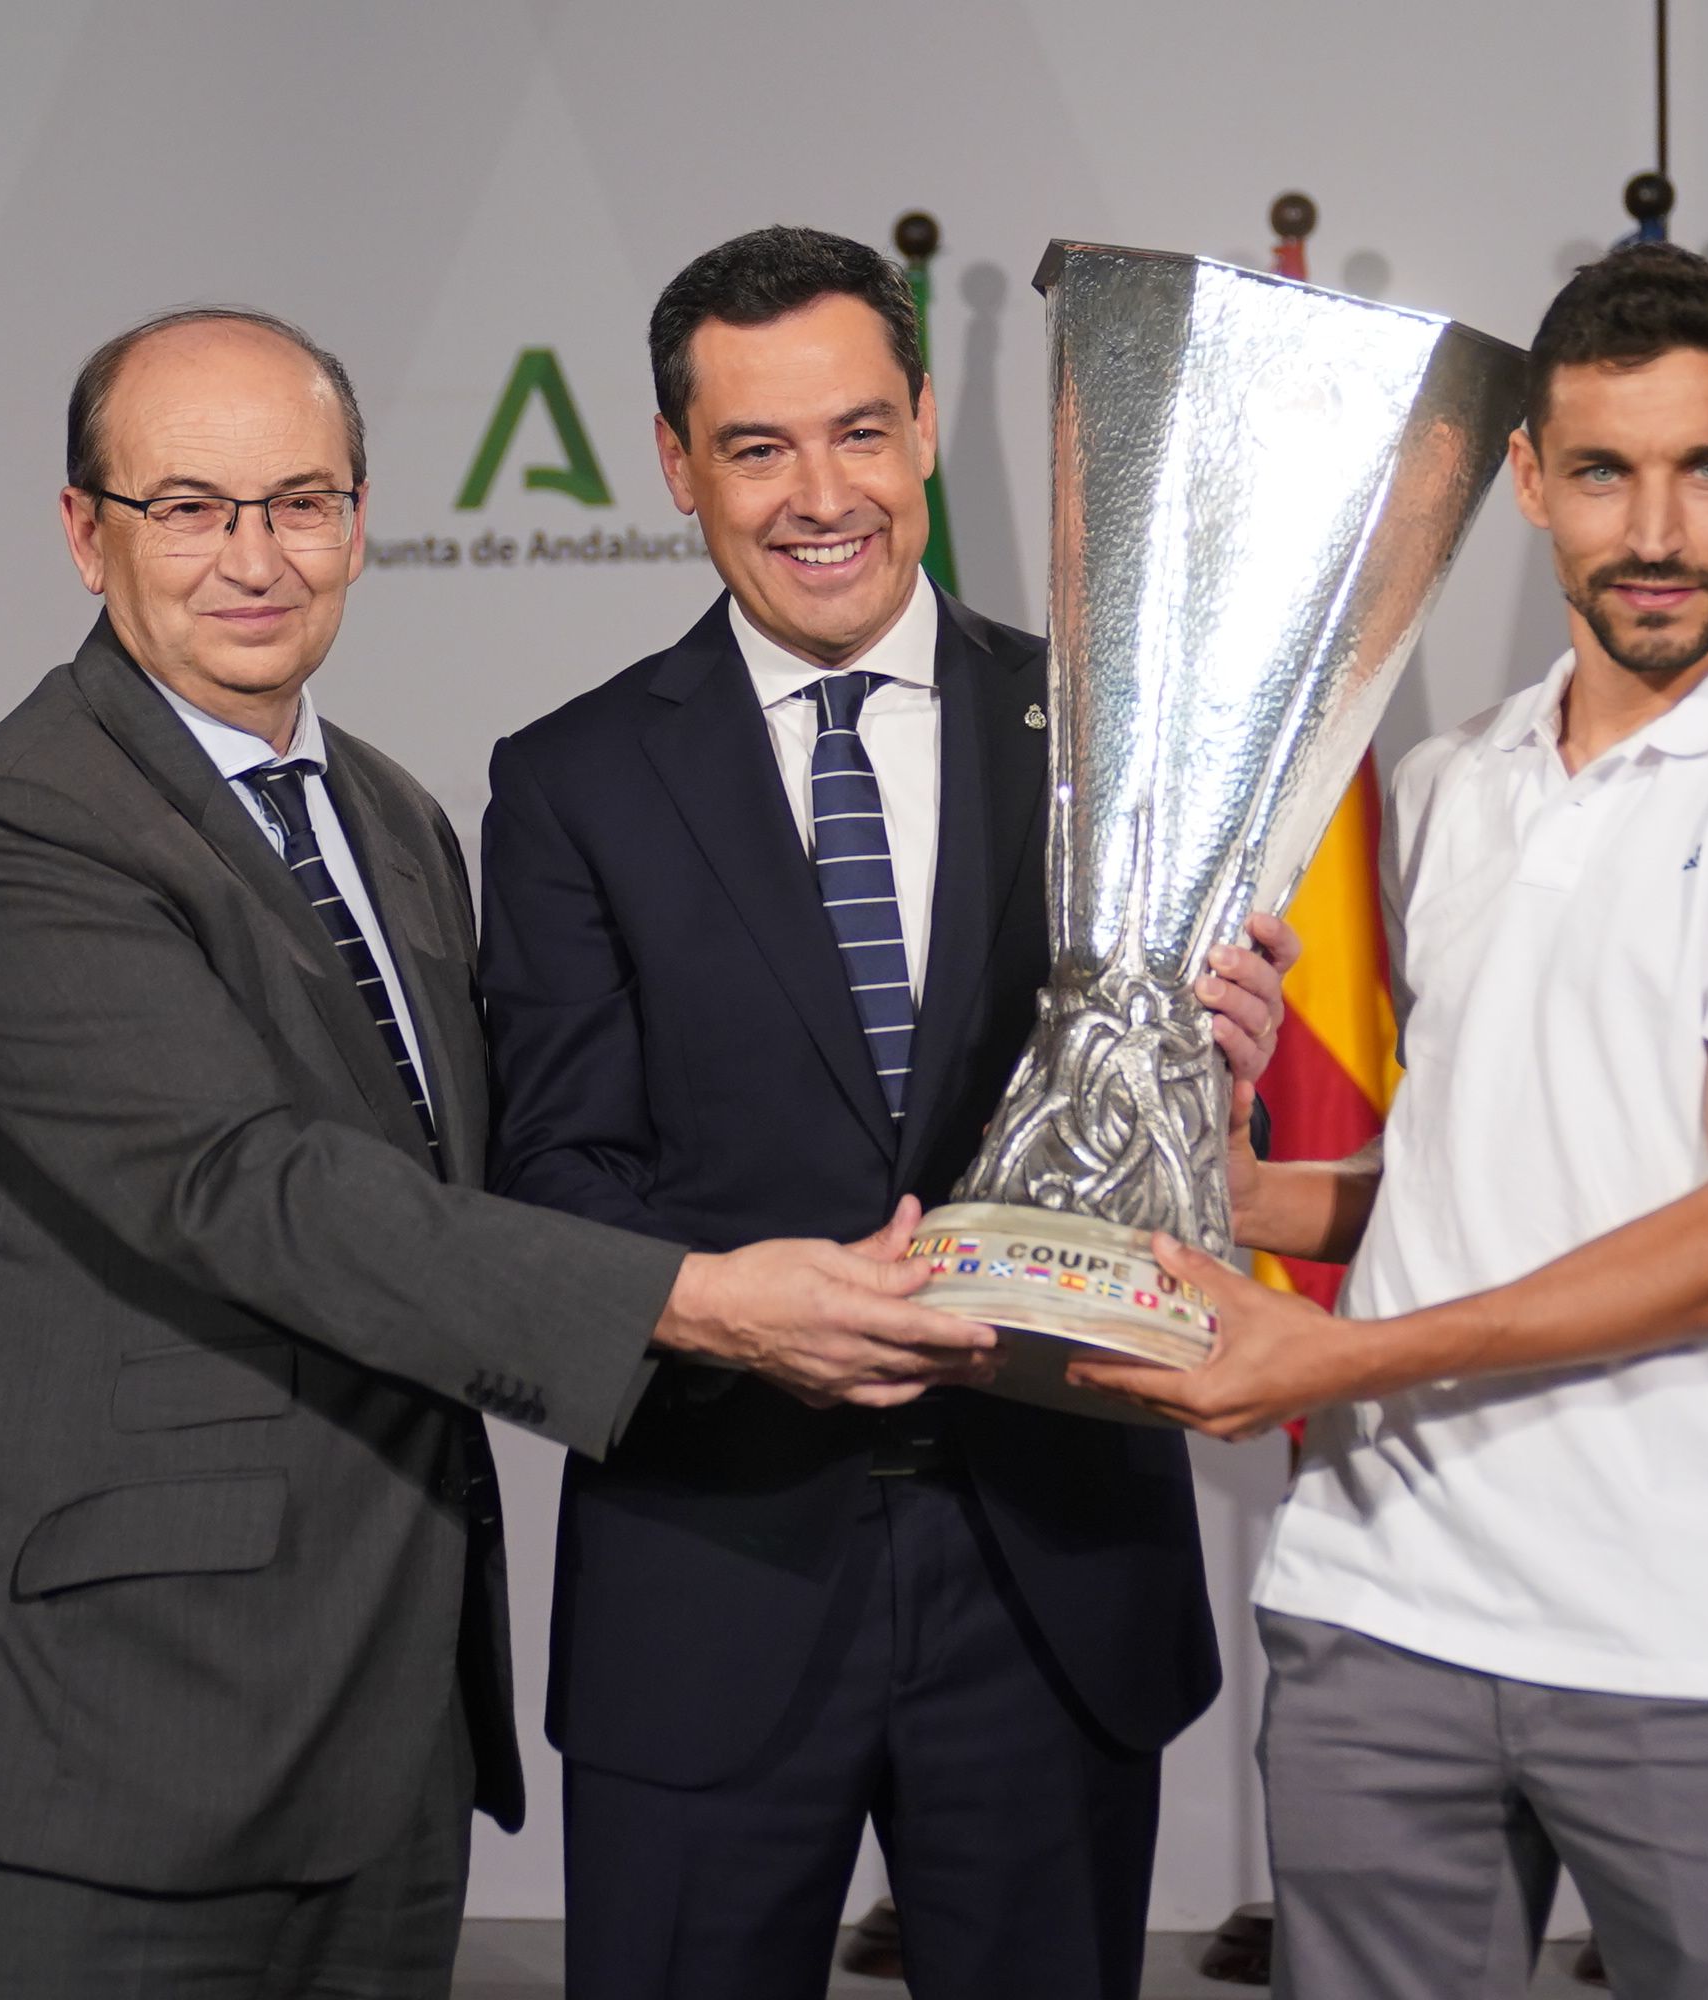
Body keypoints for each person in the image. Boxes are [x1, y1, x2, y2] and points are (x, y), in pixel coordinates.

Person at [0, 306, 987, 1999]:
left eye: (303, 501)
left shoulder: (392, 819)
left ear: (361, 519)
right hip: (84, 1745)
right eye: (189, 507)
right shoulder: (23, 823)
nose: (254, 557)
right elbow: (247, 1188)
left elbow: (499, 1175)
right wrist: (701, 1301)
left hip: (367, 1735)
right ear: (83, 533)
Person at [1077, 244, 1708, 2000]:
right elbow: (1473, 1168)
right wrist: (1234, 1189)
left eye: (1707, 470)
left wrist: (1330, 1361)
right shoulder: (1450, 782)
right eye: (1604, 471)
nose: (1656, 528)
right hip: (1378, 1611)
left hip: (1691, 1630)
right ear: (1527, 482)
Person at [478, 225, 1295, 2000]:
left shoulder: (1105, 734)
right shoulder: (571, 781)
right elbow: (553, 1174)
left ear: (927, 422)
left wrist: (1206, 1060)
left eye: (859, 430)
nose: (818, 494)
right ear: (675, 463)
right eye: (757, 448)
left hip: (1051, 1574)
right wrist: (747, 1315)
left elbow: (1147, 1140)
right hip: (709, 1574)